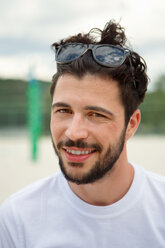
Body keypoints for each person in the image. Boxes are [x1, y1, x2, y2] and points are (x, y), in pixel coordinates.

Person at [0, 20, 165, 247]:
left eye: (96, 114)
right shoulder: (16, 220)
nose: (74, 132)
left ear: (132, 124)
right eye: (63, 111)